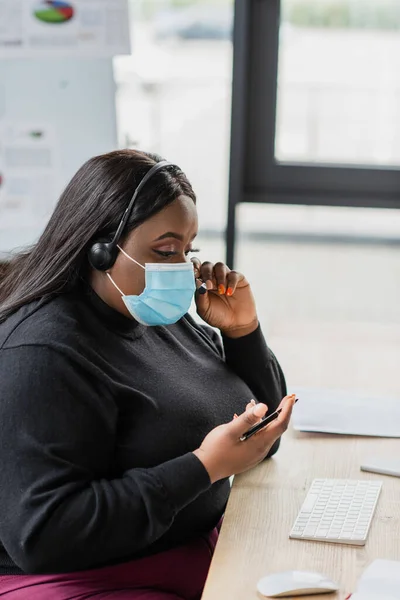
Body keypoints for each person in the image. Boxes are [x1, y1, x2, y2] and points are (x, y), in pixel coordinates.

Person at [0, 150, 294, 600]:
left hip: (185, 551)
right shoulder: (43, 351)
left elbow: (261, 438)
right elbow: (44, 536)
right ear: (99, 249)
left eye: (188, 249)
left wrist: (243, 333)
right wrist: (204, 467)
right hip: (88, 580)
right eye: (165, 249)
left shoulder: (154, 314)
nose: (182, 267)